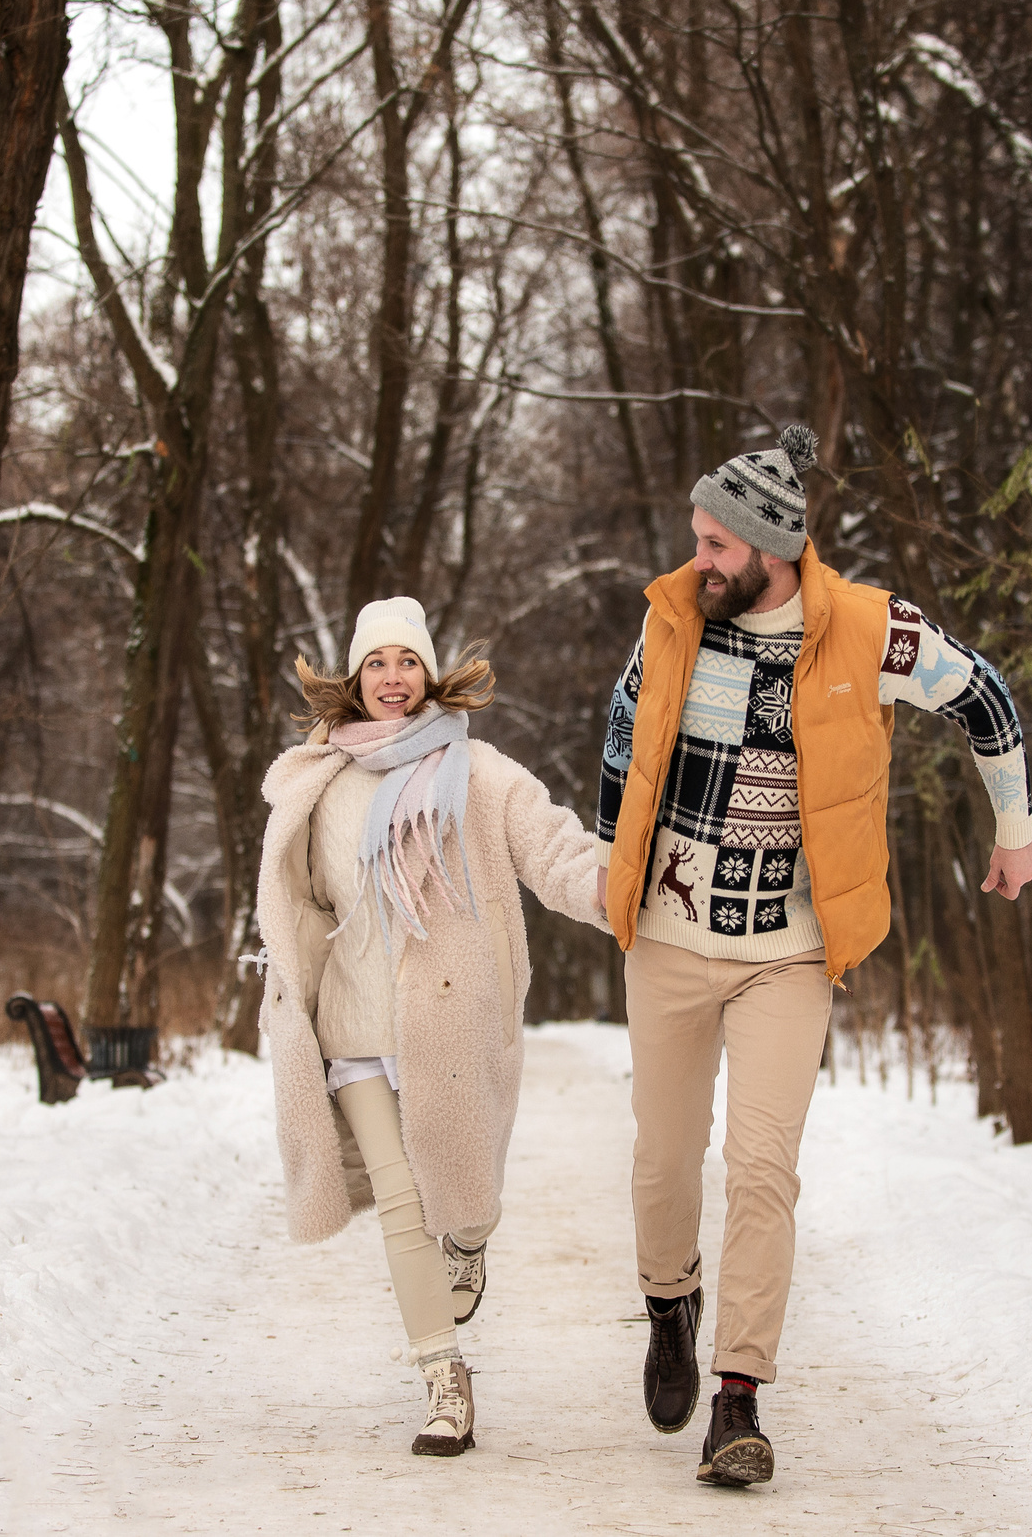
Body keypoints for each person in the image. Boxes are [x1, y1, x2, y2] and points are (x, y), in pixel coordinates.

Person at [593, 425, 1032, 1488]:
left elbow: (983, 695)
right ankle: (670, 1303)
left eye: (713, 542)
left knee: (761, 1168)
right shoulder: (670, 622)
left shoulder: (870, 630)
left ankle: (737, 1400)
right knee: (663, 1161)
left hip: (788, 955)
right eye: (696, 537)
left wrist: (1014, 827)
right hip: (665, 941)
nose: (695, 557)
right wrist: (611, 871)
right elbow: (620, 740)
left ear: (770, 548)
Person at [256, 596, 609, 1458]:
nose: (391, 677)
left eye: (405, 662)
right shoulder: (318, 781)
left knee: (464, 1195)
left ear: (428, 674)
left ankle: (473, 1241)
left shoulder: (478, 773)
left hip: (451, 1016)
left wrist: (619, 888)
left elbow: (553, 849)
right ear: (354, 676)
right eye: (375, 662)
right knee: (403, 1201)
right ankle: (444, 1379)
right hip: (354, 1023)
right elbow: (298, 901)